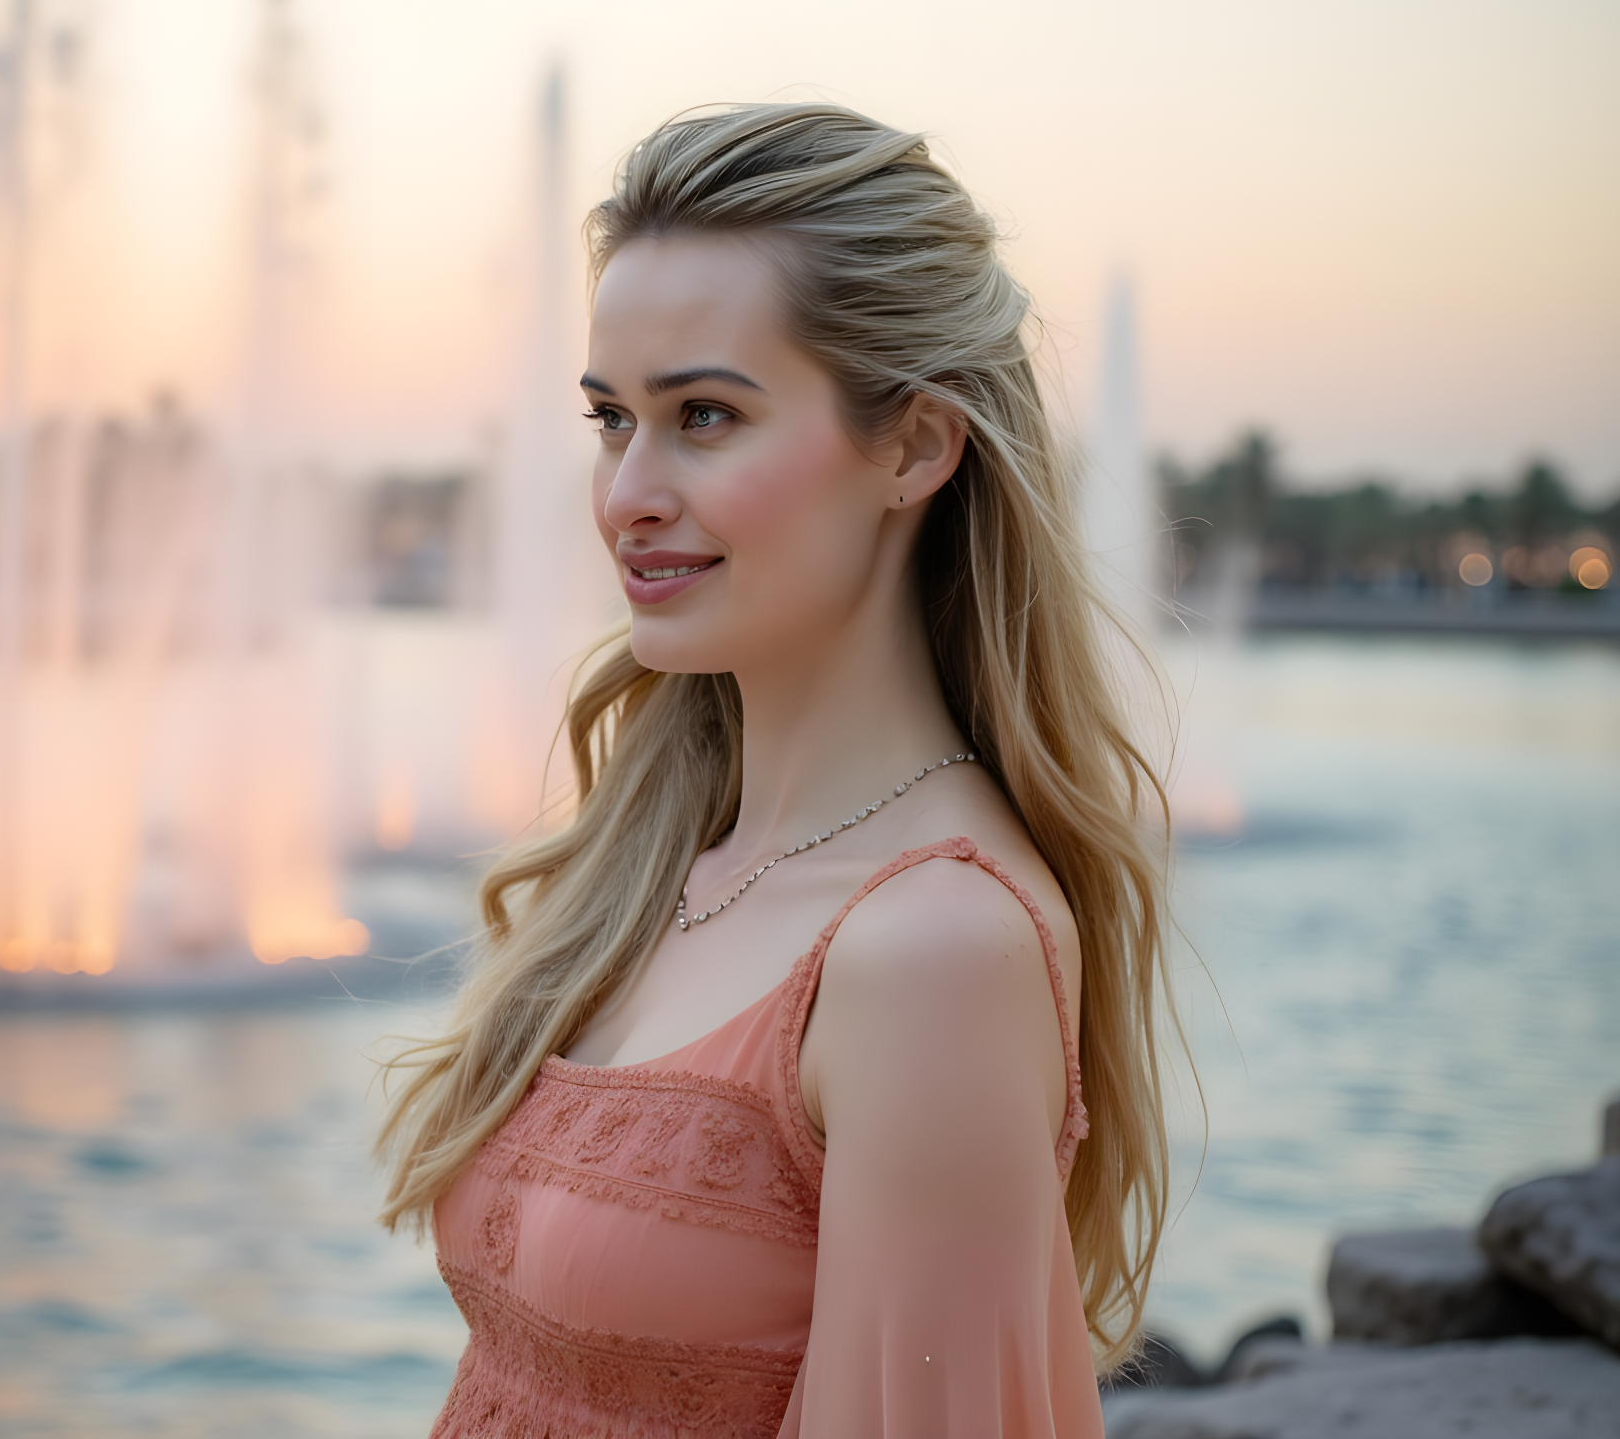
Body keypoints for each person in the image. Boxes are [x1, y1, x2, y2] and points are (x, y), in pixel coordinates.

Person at [379, 103, 1174, 1437]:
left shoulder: (933, 948)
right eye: (610, 419)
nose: (627, 491)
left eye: (704, 416)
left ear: (914, 448)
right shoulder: (659, 868)